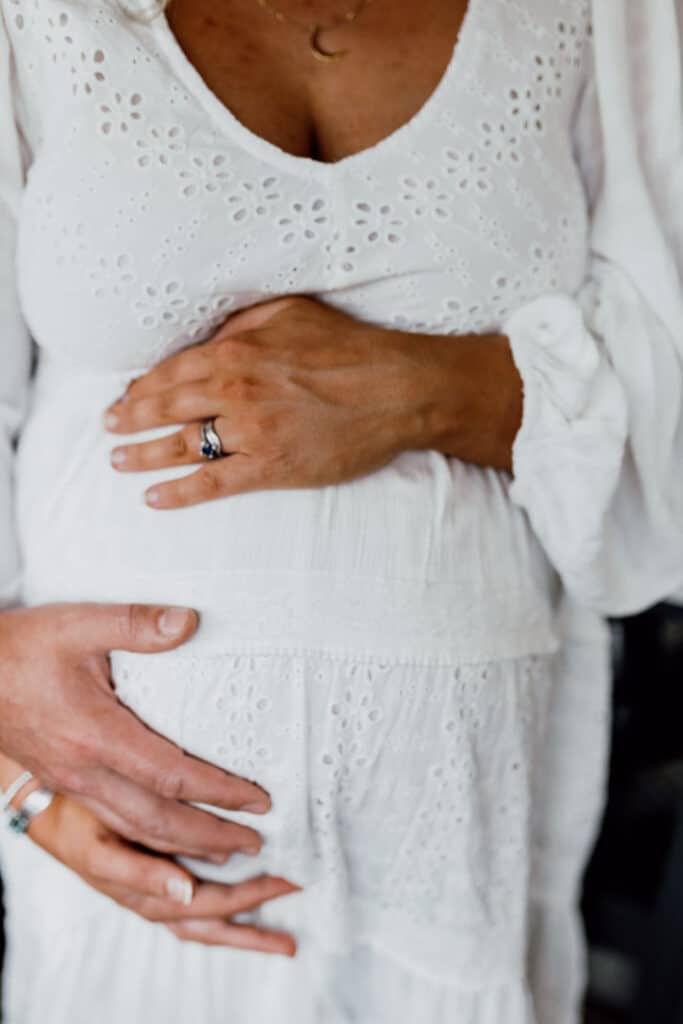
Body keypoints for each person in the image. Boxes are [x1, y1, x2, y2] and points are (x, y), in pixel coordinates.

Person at [0, 0, 681, 1020]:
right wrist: (9, 763)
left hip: (454, 878)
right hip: (115, 888)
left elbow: (662, 381)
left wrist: (428, 387)